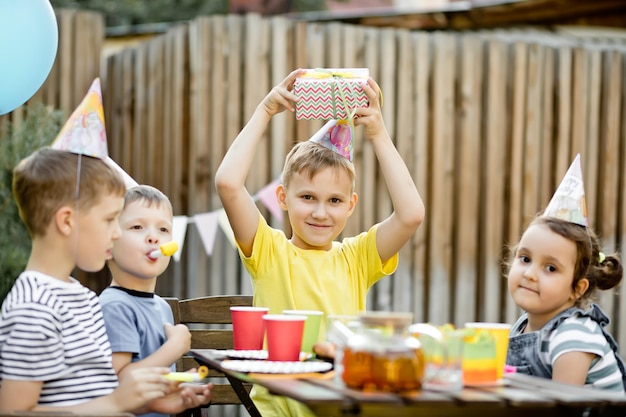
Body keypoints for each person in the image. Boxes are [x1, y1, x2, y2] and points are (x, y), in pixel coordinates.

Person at [215, 69, 425, 417]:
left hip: (343, 409)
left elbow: (411, 215)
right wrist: (264, 111)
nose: (320, 213)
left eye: (334, 201)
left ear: (350, 205)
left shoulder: (357, 258)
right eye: (308, 197)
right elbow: (227, 183)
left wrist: (379, 134)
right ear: (282, 197)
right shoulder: (269, 250)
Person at [0, 148, 210, 413]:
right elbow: (13, 413)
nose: (116, 234)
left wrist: (151, 402)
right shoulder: (34, 308)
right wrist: (117, 402)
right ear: (67, 221)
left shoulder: (83, 298)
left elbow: (95, 398)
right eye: (110, 219)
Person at [100, 184, 208, 417]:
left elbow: (152, 377)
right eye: (137, 227)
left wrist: (178, 384)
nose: (153, 237)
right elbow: (119, 386)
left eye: (163, 229)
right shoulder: (115, 307)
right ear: (109, 243)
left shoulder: (161, 307)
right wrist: (174, 348)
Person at [506, 215, 626, 391]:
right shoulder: (523, 324)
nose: (529, 274)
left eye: (551, 268)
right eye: (525, 259)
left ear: (577, 288)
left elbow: (563, 409)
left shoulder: (574, 336)